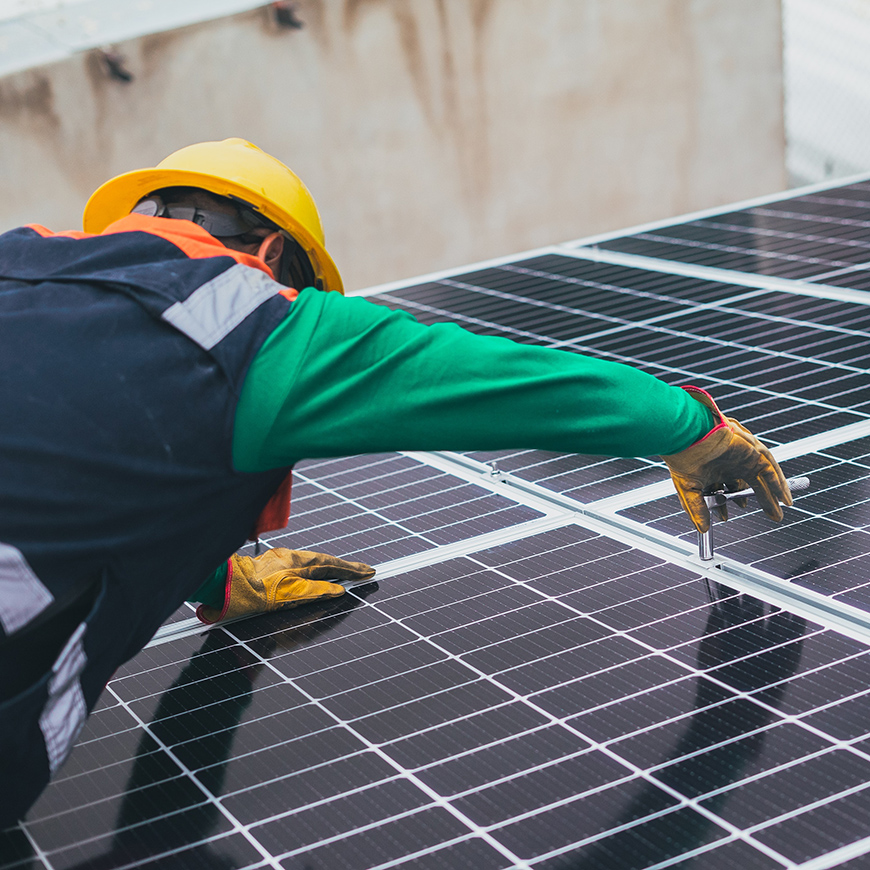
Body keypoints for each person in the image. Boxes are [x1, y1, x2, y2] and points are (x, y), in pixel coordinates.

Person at [0, 138, 791, 826]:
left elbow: (73, 440)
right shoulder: (259, 323)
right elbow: (509, 381)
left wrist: (210, 573)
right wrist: (695, 431)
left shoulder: (19, 259)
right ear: (276, 256)